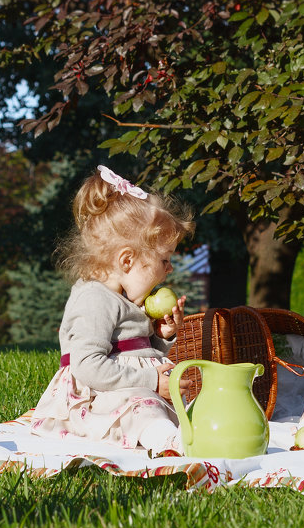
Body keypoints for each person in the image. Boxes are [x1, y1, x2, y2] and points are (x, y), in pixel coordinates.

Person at [30, 166, 194, 455]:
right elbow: (88, 365)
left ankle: (179, 432)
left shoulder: (128, 300)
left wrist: (161, 337)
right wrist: (153, 381)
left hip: (130, 391)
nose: (169, 270)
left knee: (172, 406)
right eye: (164, 260)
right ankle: (169, 443)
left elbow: (136, 354)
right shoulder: (95, 299)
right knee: (144, 409)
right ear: (128, 260)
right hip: (96, 400)